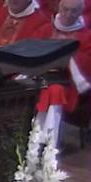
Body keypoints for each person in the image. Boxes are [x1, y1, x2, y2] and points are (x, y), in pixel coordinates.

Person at [34, 0, 91, 145]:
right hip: (40, 75)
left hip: (68, 83)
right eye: (65, 9)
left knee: (54, 91)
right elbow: (32, 49)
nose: (68, 14)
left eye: (73, 11)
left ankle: (49, 143)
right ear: (59, 8)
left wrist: (69, 55)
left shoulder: (86, 36)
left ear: (80, 12)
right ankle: (33, 138)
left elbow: (87, 64)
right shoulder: (46, 29)